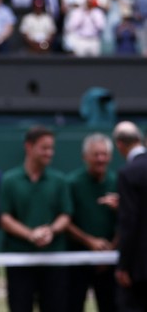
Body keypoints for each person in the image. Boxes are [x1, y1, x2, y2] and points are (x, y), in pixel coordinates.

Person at [0, 125, 72, 312]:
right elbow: (5, 218)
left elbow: (65, 215)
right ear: (29, 147)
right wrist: (31, 235)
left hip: (54, 261)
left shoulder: (59, 180)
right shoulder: (9, 180)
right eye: (45, 148)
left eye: (51, 148)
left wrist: (50, 231)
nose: (50, 153)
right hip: (19, 260)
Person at [66, 133, 118, 312]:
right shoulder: (72, 183)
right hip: (78, 260)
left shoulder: (118, 181)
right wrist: (90, 242)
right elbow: (66, 221)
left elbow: (127, 220)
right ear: (85, 157)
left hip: (110, 263)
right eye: (96, 154)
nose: (101, 159)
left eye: (104, 154)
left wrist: (110, 250)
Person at [112, 121, 147, 311]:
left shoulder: (128, 173)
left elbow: (130, 221)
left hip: (139, 269)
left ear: (119, 144)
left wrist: (123, 266)